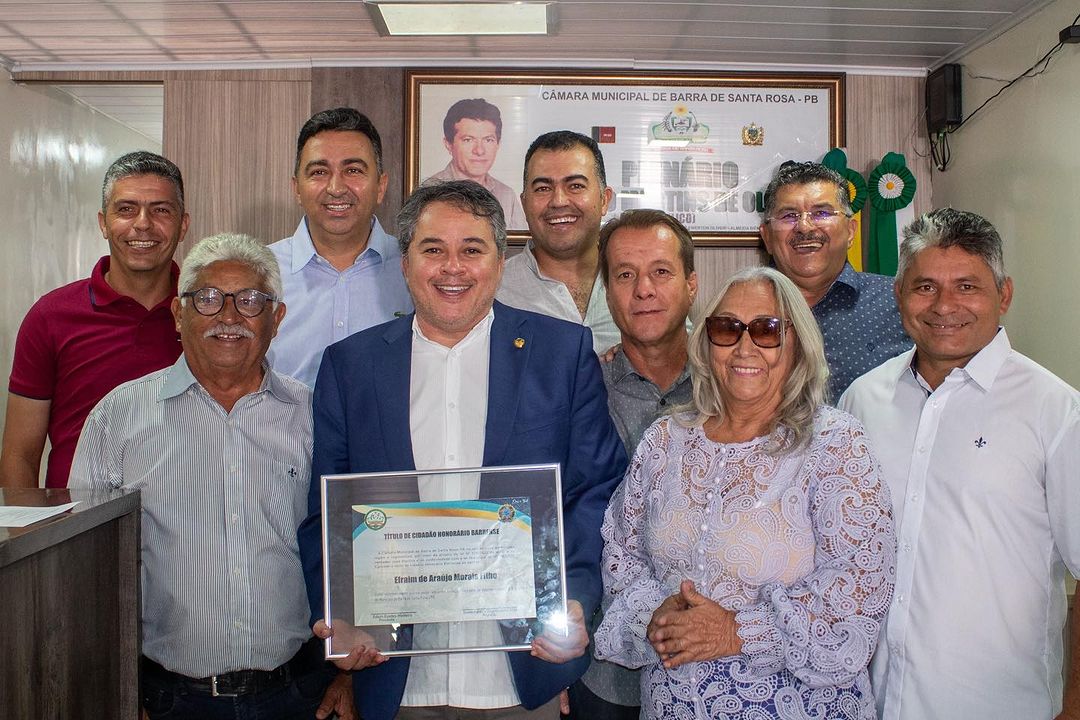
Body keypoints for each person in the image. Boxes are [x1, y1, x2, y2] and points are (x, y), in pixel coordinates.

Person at [297, 180, 628, 720]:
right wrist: (337, 613)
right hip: (393, 674)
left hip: (524, 671)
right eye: (433, 249)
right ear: (405, 263)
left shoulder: (561, 353)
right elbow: (325, 509)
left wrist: (576, 596)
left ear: (499, 261)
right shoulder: (351, 366)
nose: (453, 268)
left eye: (472, 250)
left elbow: (596, 487)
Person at [68, 233, 353, 720]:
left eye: (250, 301)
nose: (228, 316)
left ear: (277, 318)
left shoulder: (313, 415)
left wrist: (348, 676)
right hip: (167, 699)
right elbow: (86, 572)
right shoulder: (118, 417)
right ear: (178, 315)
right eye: (207, 298)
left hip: (297, 695)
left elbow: (348, 545)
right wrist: (117, 690)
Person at [595, 266, 896, 719]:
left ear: (797, 344)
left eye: (767, 330)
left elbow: (858, 587)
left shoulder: (836, 444)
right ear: (707, 341)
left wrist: (735, 631)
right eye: (727, 328)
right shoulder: (664, 439)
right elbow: (621, 552)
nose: (744, 346)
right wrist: (656, 612)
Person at [839, 208, 1080, 720]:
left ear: (1004, 295)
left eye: (967, 286)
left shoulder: (1057, 412)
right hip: (868, 703)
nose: (944, 305)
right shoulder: (862, 400)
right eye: (925, 287)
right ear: (899, 294)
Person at [566, 209, 698, 720]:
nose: (644, 289)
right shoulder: (578, 390)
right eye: (625, 275)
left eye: (661, 272)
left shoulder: (736, 386)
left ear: (691, 285)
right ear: (607, 291)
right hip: (601, 668)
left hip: (713, 666)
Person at [1, 151, 188, 489]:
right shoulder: (50, 316)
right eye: (126, 209)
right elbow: (20, 455)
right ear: (103, 223)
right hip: (79, 518)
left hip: (184, 516)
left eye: (161, 210)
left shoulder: (206, 314)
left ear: (183, 225)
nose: (143, 224)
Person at [268, 107, 412, 387]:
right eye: (319, 172)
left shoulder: (415, 270)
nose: (336, 188)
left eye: (353, 170)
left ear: (381, 186)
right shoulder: (260, 272)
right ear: (297, 188)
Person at [760, 161, 909, 398]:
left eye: (821, 213)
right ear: (767, 237)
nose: (804, 227)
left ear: (850, 231)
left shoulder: (899, 302)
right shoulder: (739, 310)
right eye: (789, 216)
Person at [496, 130, 619, 354]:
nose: (559, 201)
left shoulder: (641, 286)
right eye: (543, 188)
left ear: (604, 199)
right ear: (524, 204)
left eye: (576, 186)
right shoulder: (492, 291)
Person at [423, 98, 527, 228]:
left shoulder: (507, 195)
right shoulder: (428, 191)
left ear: (498, 144)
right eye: (468, 140)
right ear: (448, 144)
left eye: (488, 140)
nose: (479, 150)